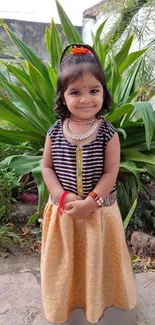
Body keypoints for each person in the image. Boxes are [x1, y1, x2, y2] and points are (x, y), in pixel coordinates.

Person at [41, 43, 136, 325]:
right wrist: (62, 197)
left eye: (94, 90)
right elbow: (46, 167)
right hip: (64, 215)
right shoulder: (55, 131)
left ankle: (102, 312)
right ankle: (70, 311)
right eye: (75, 92)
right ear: (63, 96)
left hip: (99, 216)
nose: (85, 99)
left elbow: (110, 173)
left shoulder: (108, 133)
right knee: (68, 264)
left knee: (98, 263)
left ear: (104, 93)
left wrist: (90, 202)